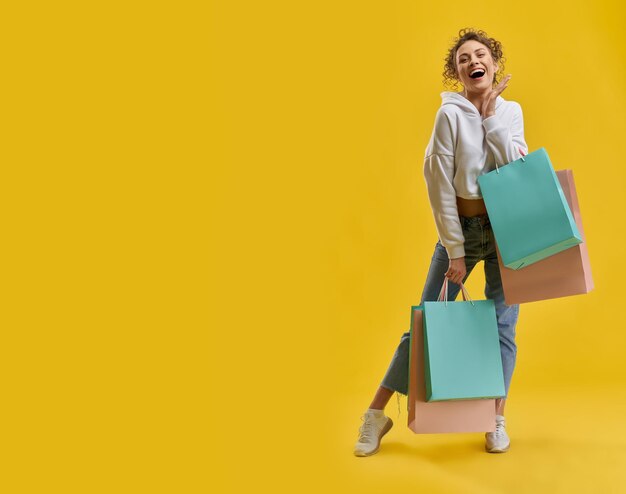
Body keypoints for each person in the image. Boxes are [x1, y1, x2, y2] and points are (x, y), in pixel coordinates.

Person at [354, 28, 528, 456]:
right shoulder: (448, 116)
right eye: (464, 58)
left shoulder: (510, 112)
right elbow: (438, 185)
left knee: (503, 328)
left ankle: (495, 417)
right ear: (458, 72)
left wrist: (490, 119)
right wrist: (454, 249)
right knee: (425, 323)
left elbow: (516, 168)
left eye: (480, 54)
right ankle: (376, 414)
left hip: (506, 232)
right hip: (463, 234)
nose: (473, 61)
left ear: (494, 63)